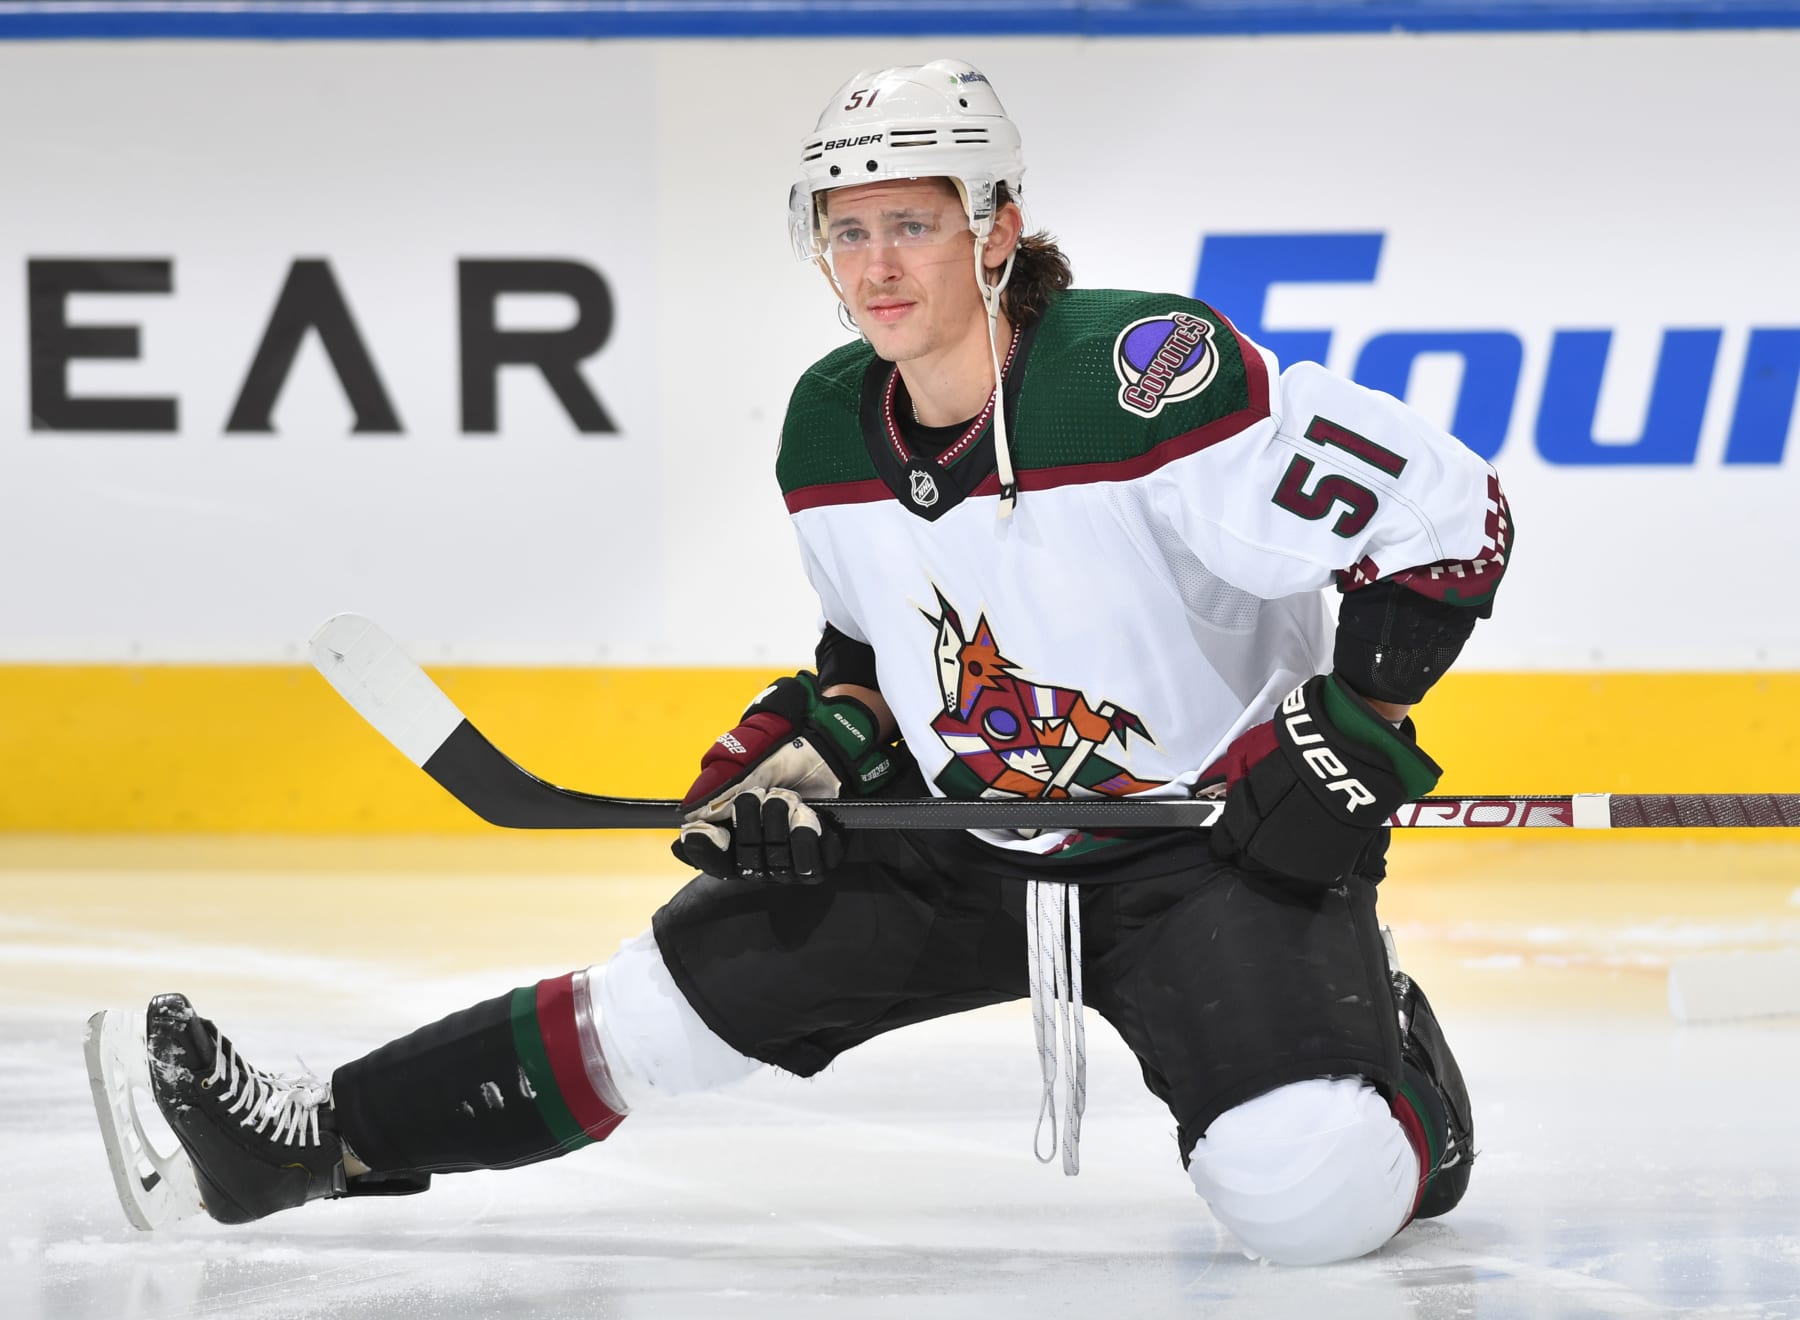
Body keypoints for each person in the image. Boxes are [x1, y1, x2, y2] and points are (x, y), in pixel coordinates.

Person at [124, 59, 1505, 1266]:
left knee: (1305, 1203)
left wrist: (1351, 726)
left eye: (914, 223)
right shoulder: (828, 426)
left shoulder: (1146, 374)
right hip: (971, 830)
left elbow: (1449, 519)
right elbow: (872, 648)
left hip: (1209, 847)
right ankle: (312, 1144)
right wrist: (817, 744)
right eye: (848, 232)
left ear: (1000, 230)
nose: (880, 265)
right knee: (649, 1018)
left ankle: (1404, 1090)